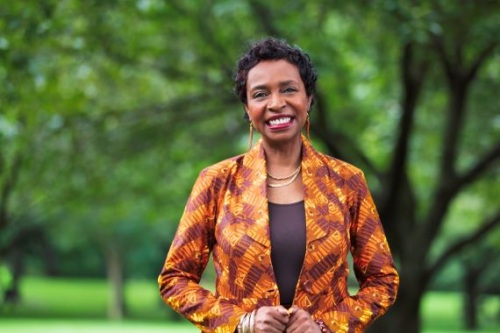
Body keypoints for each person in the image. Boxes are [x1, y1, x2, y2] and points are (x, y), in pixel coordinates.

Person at [158, 37, 399, 333]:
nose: (276, 103)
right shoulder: (217, 182)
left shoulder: (347, 181)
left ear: (308, 98)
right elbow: (175, 279)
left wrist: (326, 327)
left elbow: (382, 281)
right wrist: (242, 322)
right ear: (247, 108)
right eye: (260, 94)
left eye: (288, 89)